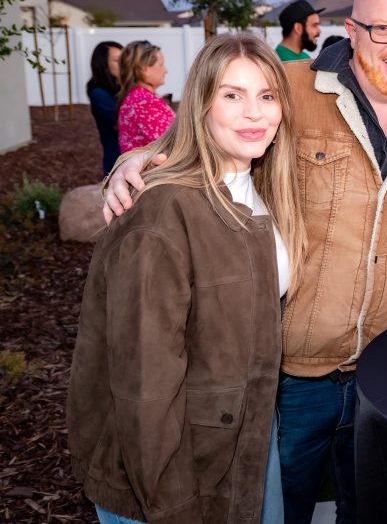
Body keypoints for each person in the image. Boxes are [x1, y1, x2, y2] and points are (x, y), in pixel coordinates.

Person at [103, 0, 387, 523]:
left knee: (371, 509)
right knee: (276, 510)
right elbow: (210, 128)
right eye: (384, 29)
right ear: (351, 30)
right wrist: (135, 160)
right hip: (290, 376)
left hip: (386, 376)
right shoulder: (291, 89)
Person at [68, 33, 305, 524]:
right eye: (231, 95)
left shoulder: (263, 193)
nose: (254, 114)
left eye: (266, 96)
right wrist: (174, 505)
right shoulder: (161, 212)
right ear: (200, 105)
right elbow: (143, 389)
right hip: (171, 474)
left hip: (245, 449)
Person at [117, 40, 174, 153]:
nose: (166, 70)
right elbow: (173, 143)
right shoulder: (143, 102)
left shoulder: (138, 98)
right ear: (144, 69)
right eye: (161, 64)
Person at [86, 41, 123, 175]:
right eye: (117, 60)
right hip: (117, 162)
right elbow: (121, 121)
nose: (124, 64)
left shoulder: (123, 88)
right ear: (104, 65)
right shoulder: (99, 94)